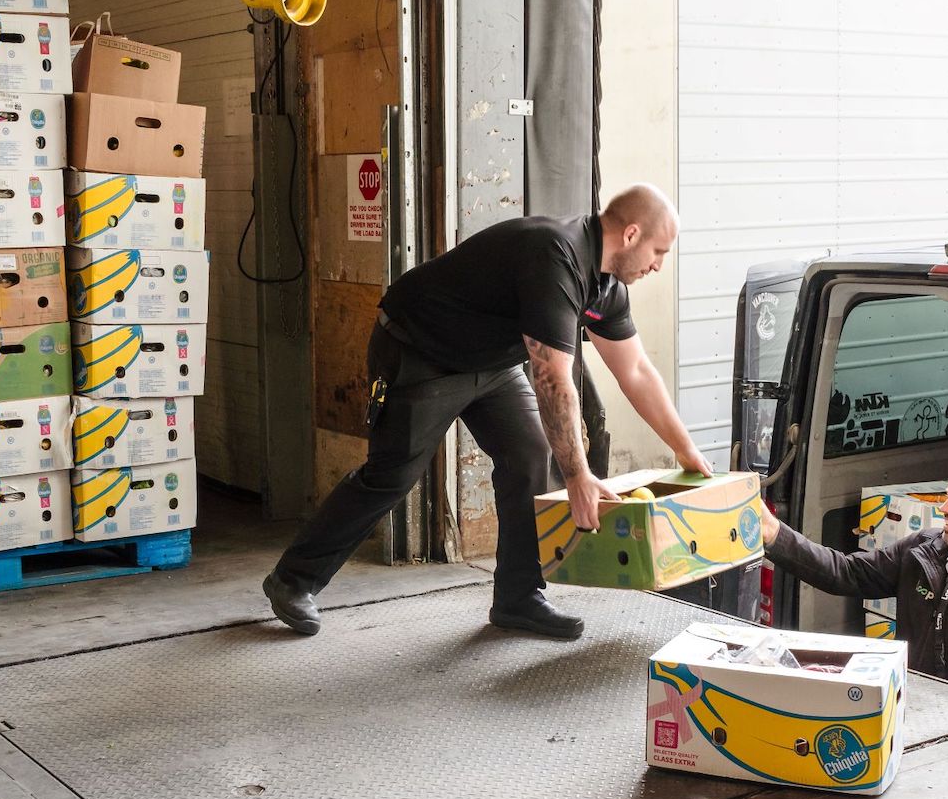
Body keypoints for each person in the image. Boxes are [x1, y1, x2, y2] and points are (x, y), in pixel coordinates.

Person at [262, 184, 715, 640]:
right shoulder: (556, 255)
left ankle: (519, 598)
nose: (659, 264)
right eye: (659, 251)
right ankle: (293, 580)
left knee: (529, 456)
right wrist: (577, 478)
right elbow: (553, 379)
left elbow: (635, 370)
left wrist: (686, 451)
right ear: (632, 234)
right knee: (392, 476)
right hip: (421, 350)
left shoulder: (608, 286)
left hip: (491, 364)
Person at [758, 458, 948, 700]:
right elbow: (847, 573)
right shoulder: (924, 549)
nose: (944, 508)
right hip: (909, 708)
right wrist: (774, 534)